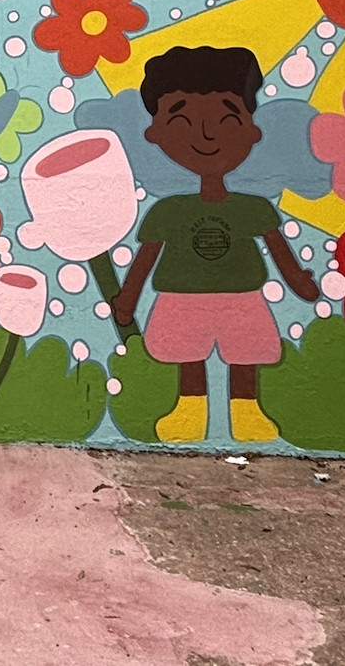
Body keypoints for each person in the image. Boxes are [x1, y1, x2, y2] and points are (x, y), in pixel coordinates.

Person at [109, 46, 319, 443]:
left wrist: (299, 282)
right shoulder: (167, 212)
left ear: (252, 130)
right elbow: (146, 259)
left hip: (243, 296)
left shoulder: (253, 208)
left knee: (246, 353)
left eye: (226, 119)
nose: (206, 134)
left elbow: (278, 250)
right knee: (188, 354)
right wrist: (127, 297)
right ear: (155, 133)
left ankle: (247, 411)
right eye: (183, 121)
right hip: (180, 297)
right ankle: (190, 409)